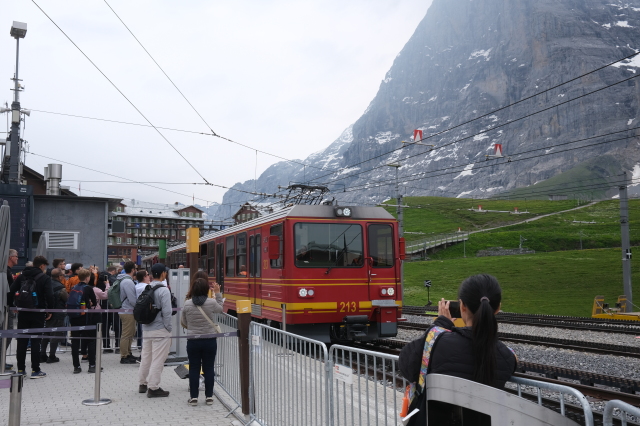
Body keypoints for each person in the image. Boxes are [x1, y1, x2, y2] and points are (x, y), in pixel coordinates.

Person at [398, 274, 517, 425]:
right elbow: (508, 356)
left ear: (462, 306)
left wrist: (441, 324)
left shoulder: (437, 341)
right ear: (498, 308)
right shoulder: (506, 357)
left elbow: (405, 365)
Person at [9, 255, 54, 378]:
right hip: (38, 312)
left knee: (22, 341)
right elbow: (49, 295)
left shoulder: (22, 275)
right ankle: (35, 370)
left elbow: (11, 290)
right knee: (35, 341)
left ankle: (21, 370)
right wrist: (50, 310)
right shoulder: (44, 278)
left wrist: (12, 305)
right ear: (42, 266)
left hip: (23, 312)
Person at [181, 278, 223, 406]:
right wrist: (218, 294)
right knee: (208, 368)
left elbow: (183, 321)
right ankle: (209, 397)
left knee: (194, 368)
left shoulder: (187, 304)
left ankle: (194, 397)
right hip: (209, 340)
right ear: (206, 289)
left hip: (193, 340)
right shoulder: (211, 302)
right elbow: (220, 309)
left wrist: (192, 328)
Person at [139, 263, 173, 398]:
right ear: (163, 273)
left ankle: (142, 383)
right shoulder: (164, 290)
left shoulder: (147, 288)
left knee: (146, 357)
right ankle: (153, 388)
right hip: (160, 330)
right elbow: (167, 312)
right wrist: (168, 328)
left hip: (146, 328)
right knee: (158, 359)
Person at [67, 268, 99, 373]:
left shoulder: (74, 287)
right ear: (87, 278)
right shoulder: (88, 288)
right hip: (86, 318)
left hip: (74, 318)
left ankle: (76, 367)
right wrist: (89, 303)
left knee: (75, 342)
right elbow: (94, 302)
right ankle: (92, 365)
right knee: (90, 341)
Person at [39, 268, 68, 363]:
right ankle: (52, 356)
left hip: (46, 313)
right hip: (57, 314)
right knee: (55, 335)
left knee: (46, 334)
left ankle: (42, 354)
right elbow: (66, 299)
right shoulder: (61, 288)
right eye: (62, 275)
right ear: (59, 276)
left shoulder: (46, 284)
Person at [117, 261, 138, 364]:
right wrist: (138, 306)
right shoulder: (128, 282)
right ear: (133, 270)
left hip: (126, 310)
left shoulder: (125, 280)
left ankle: (128, 353)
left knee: (130, 333)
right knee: (126, 334)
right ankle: (124, 356)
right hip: (127, 310)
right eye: (135, 269)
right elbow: (132, 299)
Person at [3, 249, 18, 371]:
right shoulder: (6, 272)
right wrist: (12, 304)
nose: (18, 258)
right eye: (16, 256)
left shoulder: (7, 271)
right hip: (6, 308)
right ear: (10, 257)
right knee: (7, 334)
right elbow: (9, 292)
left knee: (7, 334)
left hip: (8, 307)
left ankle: (2, 359)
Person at [134, 269, 151, 348]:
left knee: (140, 328)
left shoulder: (136, 286)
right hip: (146, 309)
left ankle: (140, 344)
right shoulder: (146, 287)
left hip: (138, 308)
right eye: (147, 275)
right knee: (145, 329)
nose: (149, 276)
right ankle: (143, 346)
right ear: (144, 277)